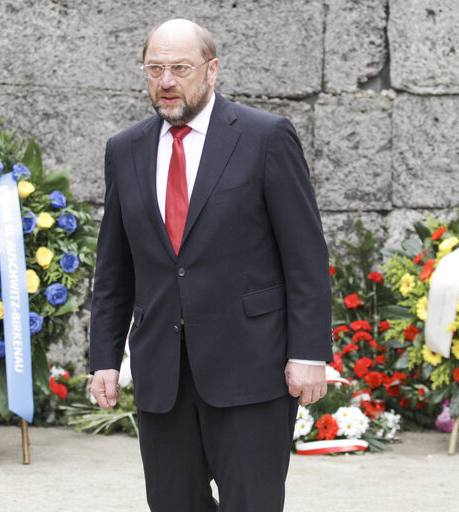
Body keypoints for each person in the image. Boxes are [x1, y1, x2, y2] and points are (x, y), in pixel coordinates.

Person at [89, 18, 332, 512]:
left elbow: (305, 257)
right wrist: (104, 359)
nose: (167, 81)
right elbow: (114, 267)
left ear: (212, 70)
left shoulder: (265, 137)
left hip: (252, 371)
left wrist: (309, 354)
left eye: (180, 67)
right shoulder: (125, 149)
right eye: (155, 69)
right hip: (163, 378)